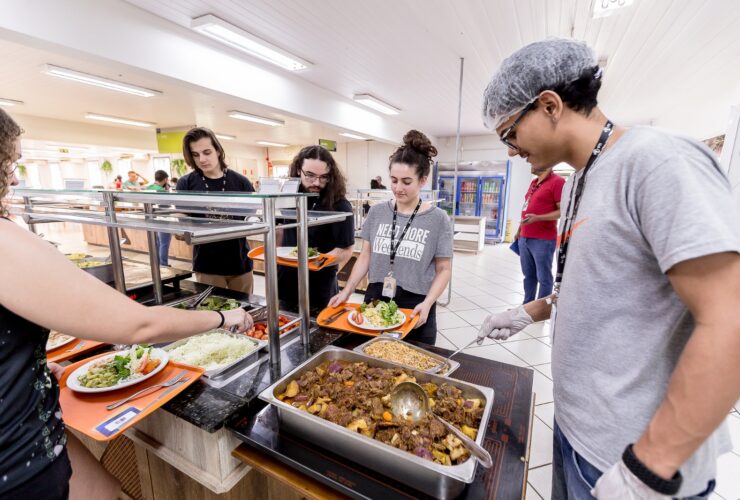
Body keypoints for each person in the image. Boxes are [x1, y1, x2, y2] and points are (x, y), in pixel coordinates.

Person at [478, 38, 740, 499]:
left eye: (509, 134)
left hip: (633, 460)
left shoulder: (656, 161)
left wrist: (648, 470)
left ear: (550, 105)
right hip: (578, 433)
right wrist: (530, 311)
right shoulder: (585, 177)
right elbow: (607, 285)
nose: (511, 151)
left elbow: (730, 319)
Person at [0, 108, 253, 500]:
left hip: (27, 425)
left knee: (108, 491)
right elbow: (139, 326)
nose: (14, 178)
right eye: (9, 163)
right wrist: (223, 317)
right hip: (17, 457)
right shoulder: (5, 243)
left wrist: (30, 363)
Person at [329, 130, 453, 345]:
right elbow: (365, 255)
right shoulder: (377, 212)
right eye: (394, 180)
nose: (398, 188)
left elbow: (444, 269)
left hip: (416, 303)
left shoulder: (438, 219)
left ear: (423, 180)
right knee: (371, 361)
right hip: (376, 297)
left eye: (406, 181)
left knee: (412, 365)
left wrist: (429, 302)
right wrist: (347, 290)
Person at [176, 127, 255, 294]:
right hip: (207, 264)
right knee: (214, 315)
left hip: (240, 262)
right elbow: (182, 213)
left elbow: (252, 216)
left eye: (206, 152)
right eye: (195, 155)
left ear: (218, 151)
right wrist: (179, 227)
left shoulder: (241, 182)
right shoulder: (186, 183)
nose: (202, 159)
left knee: (245, 311)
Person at [277, 145, 354, 314]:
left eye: (324, 177)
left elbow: (346, 250)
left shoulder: (340, 205)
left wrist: (317, 262)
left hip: (320, 288)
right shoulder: (288, 197)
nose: (317, 183)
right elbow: (281, 230)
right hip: (286, 284)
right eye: (310, 175)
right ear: (298, 170)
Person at [515, 165, 565, 303]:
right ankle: (527, 305)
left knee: (544, 277)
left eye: (534, 159)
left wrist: (538, 218)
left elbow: (562, 211)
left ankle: (541, 309)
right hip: (525, 237)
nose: (530, 163)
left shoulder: (558, 182)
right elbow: (526, 206)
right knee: (528, 275)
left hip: (543, 239)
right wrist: (519, 230)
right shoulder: (534, 182)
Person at [145, 170, 172, 266]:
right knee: (164, 242)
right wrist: (168, 191)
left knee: (156, 242)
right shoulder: (162, 190)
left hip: (151, 218)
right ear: (165, 179)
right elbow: (167, 205)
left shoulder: (148, 188)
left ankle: (156, 263)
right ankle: (163, 264)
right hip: (162, 218)